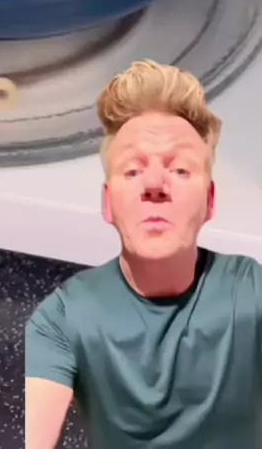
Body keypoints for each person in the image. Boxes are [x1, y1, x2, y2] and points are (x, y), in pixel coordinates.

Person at [25, 59, 262, 449]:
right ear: (108, 204)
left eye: (180, 170)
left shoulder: (250, 293)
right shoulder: (64, 317)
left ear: (210, 201)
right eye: (133, 171)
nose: (154, 184)